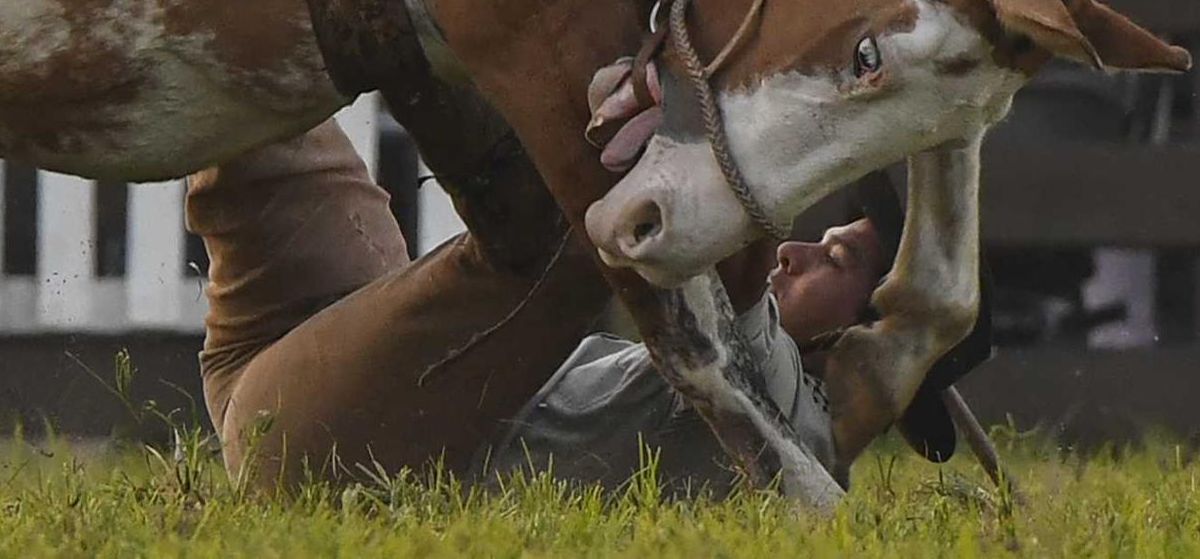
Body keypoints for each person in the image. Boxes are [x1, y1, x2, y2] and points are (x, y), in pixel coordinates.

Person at [189, 118, 977, 492]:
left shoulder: (790, 418)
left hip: (338, 455)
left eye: (834, 261)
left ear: (863, 337)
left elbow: (739, 224)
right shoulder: (771, 393)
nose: (794, 252)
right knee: (249, 65)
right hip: (306, 366)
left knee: (575, 240)